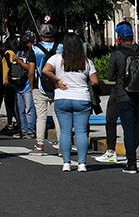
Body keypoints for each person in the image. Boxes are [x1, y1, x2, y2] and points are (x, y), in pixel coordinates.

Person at [107, 22, 139, 174]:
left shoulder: (117, 54)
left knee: (128, 130)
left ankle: (131, 164)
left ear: (119, 38)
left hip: (124, 96)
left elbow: (110, 76)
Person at [44, 34, 97, 172]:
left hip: (62, 97)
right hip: (82, 98)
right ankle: (82, 163)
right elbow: (95, 81)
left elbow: (45, 70)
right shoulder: (87, 61)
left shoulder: (56, 58)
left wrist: (57, 80)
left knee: (65, 132)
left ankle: (66, 163)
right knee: (81, 132)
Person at [30, 24, 62, 153]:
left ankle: (39, 145)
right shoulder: (61, 47)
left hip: (39, 86)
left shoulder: (35, 49)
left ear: (40, 35)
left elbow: (31, 70)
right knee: (58, 116)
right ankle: (61, 144)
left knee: (41, 117)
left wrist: (31, 86)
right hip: (58, 85)